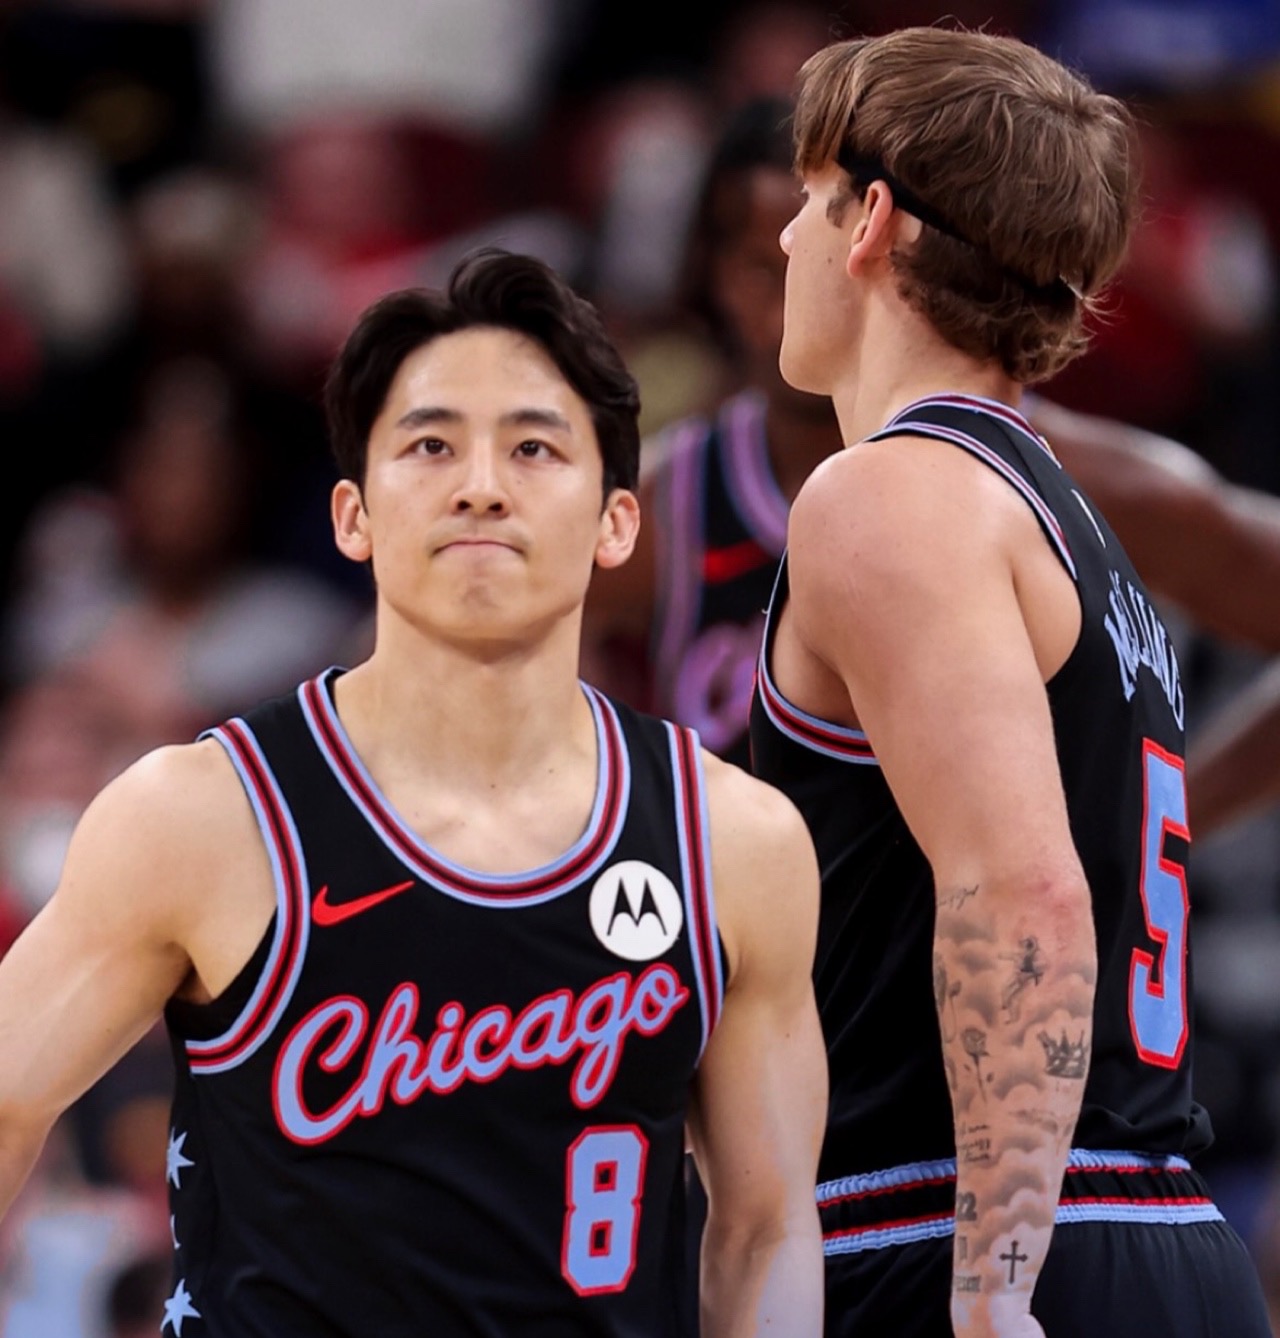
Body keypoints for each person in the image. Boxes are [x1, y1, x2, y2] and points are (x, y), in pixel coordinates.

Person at [0, 248, 828, 1336]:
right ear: (351, 515)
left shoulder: (733, 840)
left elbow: (765, 1229)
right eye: (430, 444)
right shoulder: (201, 816)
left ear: (617, 523)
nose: (479, 484)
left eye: (534, 447)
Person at [747, 27, 1271, 1338]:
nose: (784, 240)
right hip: (1151, 1225)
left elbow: (1020, 892)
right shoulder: (1062, 519)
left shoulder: (891, 494)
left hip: (963, 1230)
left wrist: (994, 1287)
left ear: (873, 220)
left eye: (808, 201)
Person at [585, 92, 1280, 814]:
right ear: (713, 272)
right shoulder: (667, 503)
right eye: (763, 269)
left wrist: (1175, 820)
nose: (781, 309)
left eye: (819, 260)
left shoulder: (1078, 484)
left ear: (893, 252)